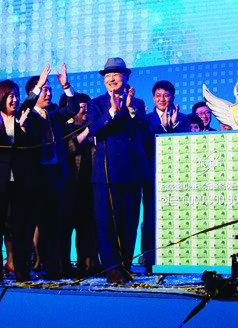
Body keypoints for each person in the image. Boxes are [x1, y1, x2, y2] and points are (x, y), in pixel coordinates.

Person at [87, 57, 149, 284]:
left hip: (132, 170)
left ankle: (125, 266)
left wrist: (131, 110)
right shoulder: (96, 104)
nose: (111, 79)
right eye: (108, 75)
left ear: (126, 77)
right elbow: (93, 129)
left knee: (129, 223)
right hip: (106, 172)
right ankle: (111, 269)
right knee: (106, 223)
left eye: (116, 74)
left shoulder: (138, 102)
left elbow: (144, 129)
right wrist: (112, 111)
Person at [23, 63, 79, 280]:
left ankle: (53, 269)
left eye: (49, 90)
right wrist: (39, 84)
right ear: (34, 92)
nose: (48, 93)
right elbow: (25, 107)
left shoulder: (54, 113)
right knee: (30, 224)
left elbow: (73, 109)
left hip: (56, 174)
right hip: (36, 176)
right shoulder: (28, 114)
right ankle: (25, 267)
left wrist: (66, 86)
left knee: (54, 224)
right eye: (44, 90)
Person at [0, 79, 36, 282]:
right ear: (1, 97)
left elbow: (32, 148)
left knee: (20, 227)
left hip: (20, 180)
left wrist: (24, 128)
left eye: (17, 95)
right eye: (11, 96)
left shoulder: (24, 117)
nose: (15, 99)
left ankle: (20, 269)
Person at [142, 80, 190, 273]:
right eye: (158, 95)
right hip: (153, 177)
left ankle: (176, 258)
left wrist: (175, 125)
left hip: (177, 177)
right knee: (151, 219)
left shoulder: (183, 118)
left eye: (166, 95)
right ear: (153, 98)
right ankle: (149, 260)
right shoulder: (146, 119)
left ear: (172, 97)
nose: (162, 99)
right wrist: (162, 127)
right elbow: (145, 144)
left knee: (177, 217)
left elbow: (187, 144)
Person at [59, 92, 96, 278]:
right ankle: (65, 266)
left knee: (85, 229)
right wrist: (86, 133)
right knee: (66, 229)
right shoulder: (65, 128)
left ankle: (83, 266)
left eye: (87, 109)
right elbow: (68, 148)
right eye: (81, 109)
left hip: (88, 187)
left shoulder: (93, 130)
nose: (85, 112)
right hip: (70, 186)